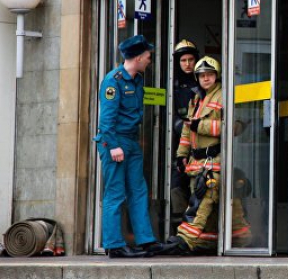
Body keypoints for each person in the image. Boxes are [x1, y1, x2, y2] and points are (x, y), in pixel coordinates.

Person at [94, 35, 177, 258]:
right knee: (115, 193)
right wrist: (113, 146)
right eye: (148, 56)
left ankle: (146, 241)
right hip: (115, 141)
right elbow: (106, 119)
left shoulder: (137, 79)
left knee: (139, 191)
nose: (150, 59)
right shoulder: (113, 81)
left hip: (130, 140)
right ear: (139, 57)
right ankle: (114, 245)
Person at [169, 56, 252, 255]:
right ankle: (233, 239)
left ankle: (186, 238)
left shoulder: (225, 95)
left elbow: (235, 126)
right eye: (202, 75)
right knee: (223, 206)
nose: (206, 78)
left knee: (202, 200)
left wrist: (202, 125)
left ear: (217, 76)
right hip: (196, 161)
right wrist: (181, 155)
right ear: (197, 78)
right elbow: (188, 130)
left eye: (210, 75)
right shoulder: (196, 98)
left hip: (214, 160)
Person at [170, 39, 200, 228]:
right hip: (177, 143)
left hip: (201, 143)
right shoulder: (172, 84)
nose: (187, 64)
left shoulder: (204, 81)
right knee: (176, 183)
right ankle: (178, 227)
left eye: (190, 59)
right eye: (183, 60)